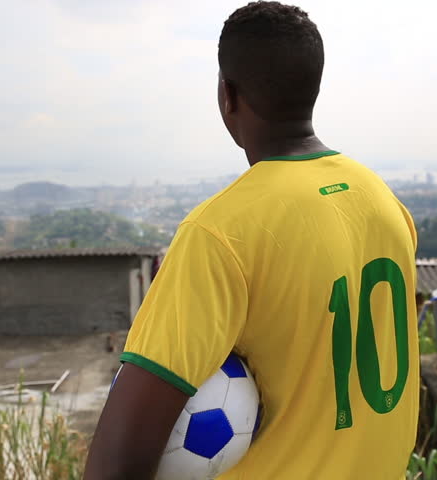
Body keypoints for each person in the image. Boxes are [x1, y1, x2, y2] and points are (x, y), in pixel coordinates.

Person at [84, 2, 419, 479]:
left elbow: (116, 462)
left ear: (228, 95)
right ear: (313, 89)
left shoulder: (219, 233)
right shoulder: (384, 201)